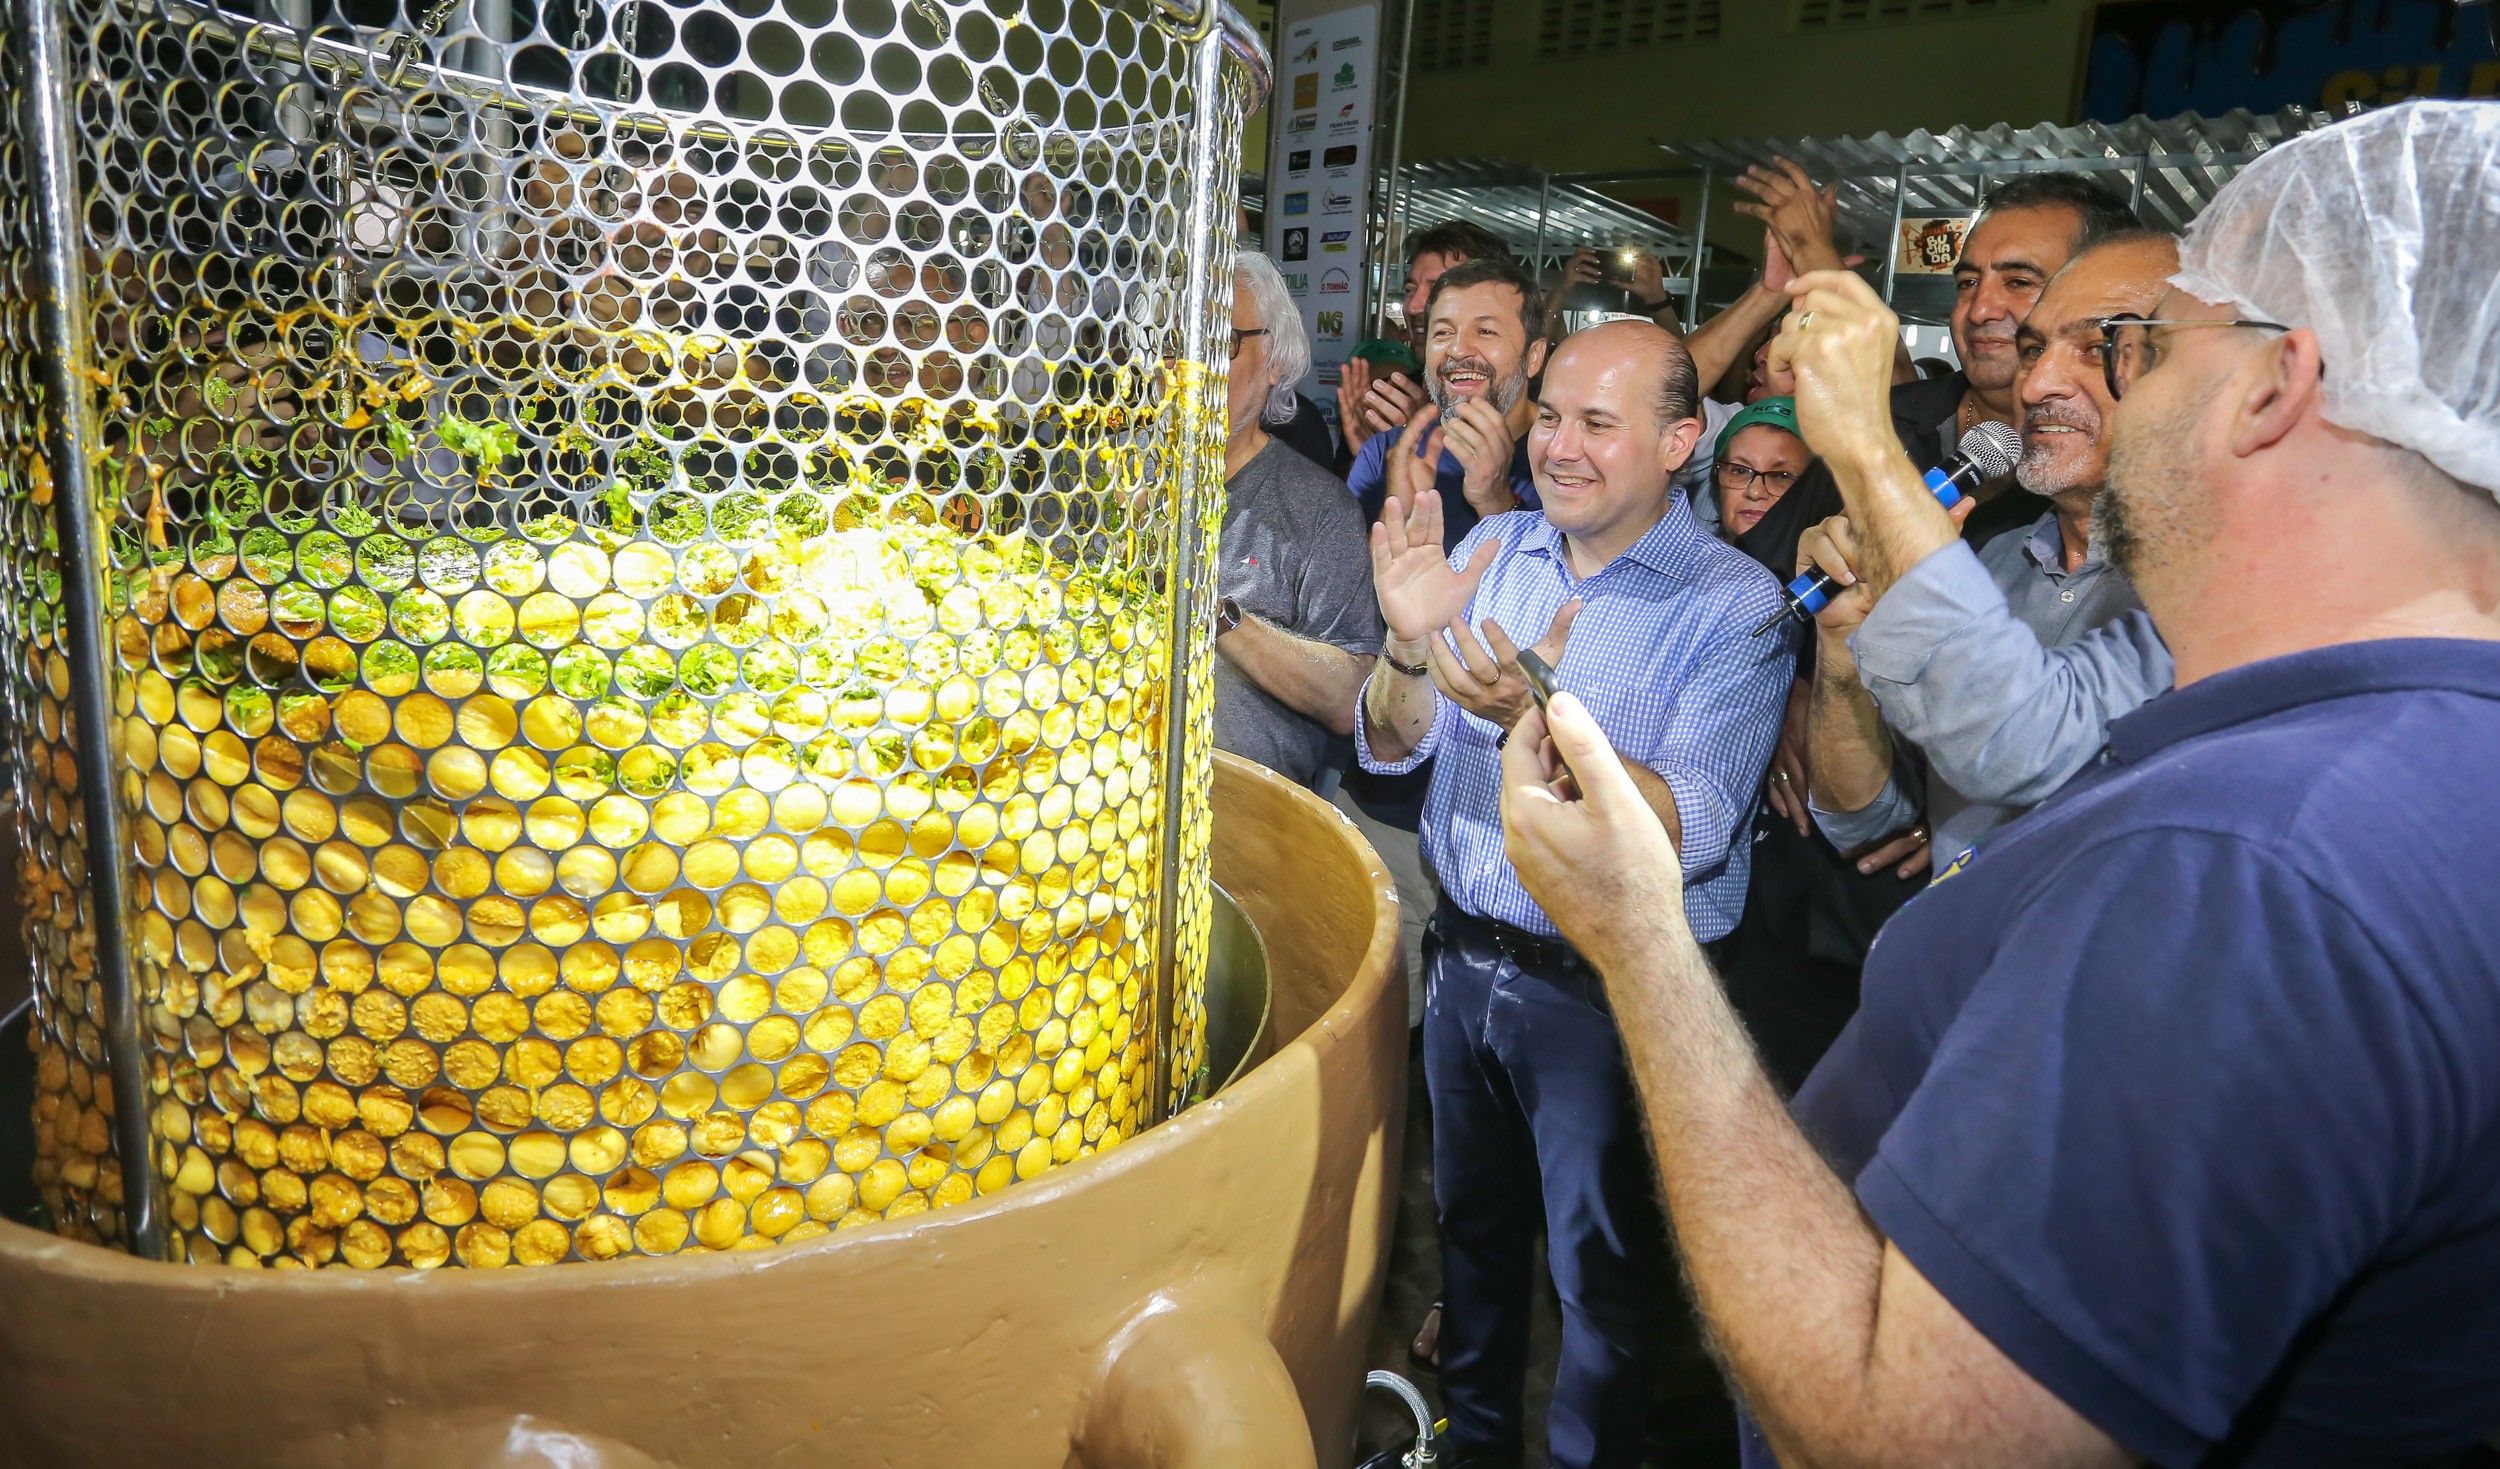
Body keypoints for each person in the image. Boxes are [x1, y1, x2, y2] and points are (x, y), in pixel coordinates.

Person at [1496, 99, 2500, 1469]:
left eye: (2149, 346)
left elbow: (1908, 1430)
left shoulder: (2257, 863)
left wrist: (1641, 941)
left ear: (2275, 389)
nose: (2072, 384)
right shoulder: (2399, 756)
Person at [1359, 319, 1793, 1468]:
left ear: (1680, 439)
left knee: (1602, 1292)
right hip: (1462, 971)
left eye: (1599, 422)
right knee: (1470, 1251)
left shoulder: (1736, 607)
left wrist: (1537, 725)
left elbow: (1688, 825)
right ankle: (1468, 1446)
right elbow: (1392, 747)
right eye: (1548, 414)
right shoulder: (1493, 545)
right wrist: (1407, 648)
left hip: (1606, 1000)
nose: (1560, 445)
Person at [1802, 230, 2179, 873]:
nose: (2035, 386)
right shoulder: (1985, 568)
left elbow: (2023, 744)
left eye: (2096, 347)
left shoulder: (2210, 590)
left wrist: (1866, 450)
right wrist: (1840, 649)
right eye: (2033, 350)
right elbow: (1861, 821)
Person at [1693, 399, 1926, 1093]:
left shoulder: (1853, 587)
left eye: (1782, 477)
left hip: (1821, 915)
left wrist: (1934, 807)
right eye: (1740, 469)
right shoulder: (1677, 581)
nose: (1758, 490)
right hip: (1714, 913)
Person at [1210, 253, 1382, 789]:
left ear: (1276, 362)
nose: (1191, 364)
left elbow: (1351, 698)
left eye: (1222, 341)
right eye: (1172, 342)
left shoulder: (1320, 512)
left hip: (1244, 816)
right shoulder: (1107, 483)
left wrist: (1214, 615)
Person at [1348, 256, 1548, 548]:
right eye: (1443, 332)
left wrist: (1498, 505)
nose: (1457, 349)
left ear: (1533, 357)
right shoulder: (1384, 455)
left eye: (1486, 331)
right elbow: (1347, 590)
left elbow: (1574, 590)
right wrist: (1396, 516)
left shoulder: (1564, 458)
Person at [1338, 220, 1512, 462]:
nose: (1412, 306)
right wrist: (1372, 462)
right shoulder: (1386, 405)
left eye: (1437, 287)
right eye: (1410, 289)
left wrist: (1429, 442)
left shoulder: (1532, 414)